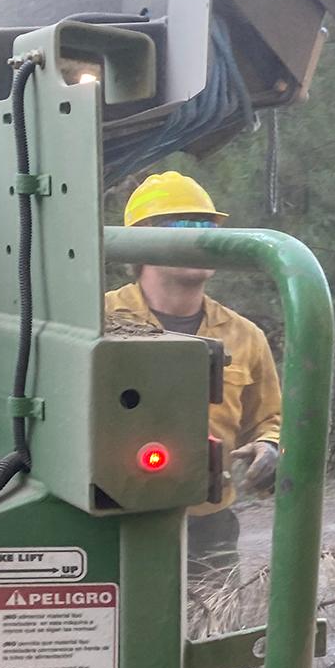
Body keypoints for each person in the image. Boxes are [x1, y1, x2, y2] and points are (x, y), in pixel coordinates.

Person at [106, 171, 282, 575]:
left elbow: (271, 420)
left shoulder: (244, 336)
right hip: (114, 518)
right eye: (183, 226)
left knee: (212, 635)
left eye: (207, 227)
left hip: (209, 528)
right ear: (140, 239)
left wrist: (270, 447)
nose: (200, 238)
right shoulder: (97, 320)